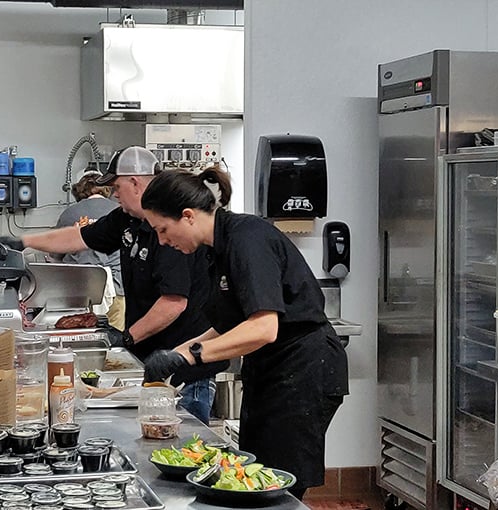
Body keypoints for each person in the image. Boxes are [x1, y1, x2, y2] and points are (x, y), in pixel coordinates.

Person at [139, 167, 349, 500]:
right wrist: (175, 355)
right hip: (272, 371)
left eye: (163, 230)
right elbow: (226, 326)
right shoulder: (215, 249)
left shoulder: (247, 238)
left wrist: (192, 355)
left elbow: (264, 328)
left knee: (276, 487)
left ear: (188, 216)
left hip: (303, 369)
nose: (163, 241)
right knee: (253, 471)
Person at [0, 146, 227, 424]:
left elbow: (173, 303)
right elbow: (79, 237)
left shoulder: (169, 227)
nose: (114, 195)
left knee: (184, 443)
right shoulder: (127, 219)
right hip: (151, 358)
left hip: (183, 363)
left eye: (116, 187)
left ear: (135, 183)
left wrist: (126, 337)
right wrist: (23, 243)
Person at [54, 168, 125, 330]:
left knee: (78, 332)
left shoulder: (69, 213)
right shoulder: (120, 211)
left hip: (77, 288)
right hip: (116, 284)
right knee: (115, 335)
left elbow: (55, 256)